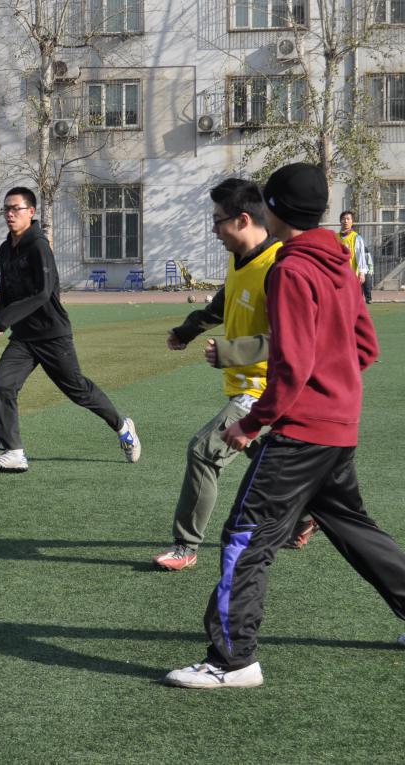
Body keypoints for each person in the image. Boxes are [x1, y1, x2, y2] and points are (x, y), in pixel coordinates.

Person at [164, 162, 405, 689]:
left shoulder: (290, 270)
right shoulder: (337, 260)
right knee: (355, 529)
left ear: (272, 209)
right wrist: (332, 389)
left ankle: (233, 660)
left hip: (302, 432)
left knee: (244, 537)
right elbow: (366, 348)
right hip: (339, 426)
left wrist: (253, 424)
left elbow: (293, 363)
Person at [152, 178, 316, 571]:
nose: (213, 230)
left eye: (217, 221)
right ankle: (308, 514)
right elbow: (223, 303)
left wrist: (230, 351)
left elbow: (290, 338)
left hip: (265, 389)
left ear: (242, 220)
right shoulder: (239, 257)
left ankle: (185, 546)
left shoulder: (279, 266)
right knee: (261, 455)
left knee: (204, 451)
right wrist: (187, 331)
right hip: (245, 387)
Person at [0, 186, 140, 473]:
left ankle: (122, 427)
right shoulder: (6, 248)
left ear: (31, 212)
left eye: (15, 208)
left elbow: (43, 293)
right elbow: (6, 287)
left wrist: (8, 317)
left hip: (52, 335)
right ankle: (13, 452)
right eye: (6, 209)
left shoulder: (39, 246)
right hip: (24, 338)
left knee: (78, 390)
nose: (9, 214)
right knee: (2, 385)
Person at [339, 210, 373, 304]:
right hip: (340, 274)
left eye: (348, 219)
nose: (346, 221)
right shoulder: (335, 237)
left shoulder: (356, 237)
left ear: (352, 222)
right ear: (340, 221)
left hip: (353, 274)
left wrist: (362, 272)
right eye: (343, 219)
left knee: (354, 301)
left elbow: (360, 256)